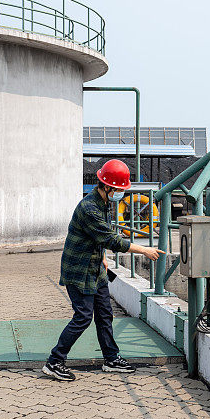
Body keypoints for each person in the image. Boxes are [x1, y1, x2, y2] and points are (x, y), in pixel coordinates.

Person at [43, 159, 164, 381]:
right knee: (83, 317)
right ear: (106, 186)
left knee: (105, 314)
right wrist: (144, 250)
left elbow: (100, 238)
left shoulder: (103, 203)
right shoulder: (89, 208)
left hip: (96, 267)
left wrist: (104, 258)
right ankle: (54, 361)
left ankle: (111, 358)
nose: (120, 194)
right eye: (118, 190)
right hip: (79, 271)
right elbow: (110, 238)